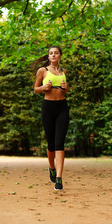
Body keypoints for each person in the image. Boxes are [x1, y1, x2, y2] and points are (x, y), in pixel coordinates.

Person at [34, 46, 69, 191]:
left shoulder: (64, 72)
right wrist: (44, 87)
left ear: (60, 56)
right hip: (48, 108)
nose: (53, 55)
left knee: (59, 142)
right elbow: (35, 89)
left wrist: (66, 88)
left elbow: (65, 90)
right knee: (51, 143)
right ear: (48, 56)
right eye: (51, 53)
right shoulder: (42, 71)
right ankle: (51, 167)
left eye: (56, 53)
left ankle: (59, 179)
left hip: (62, 107)